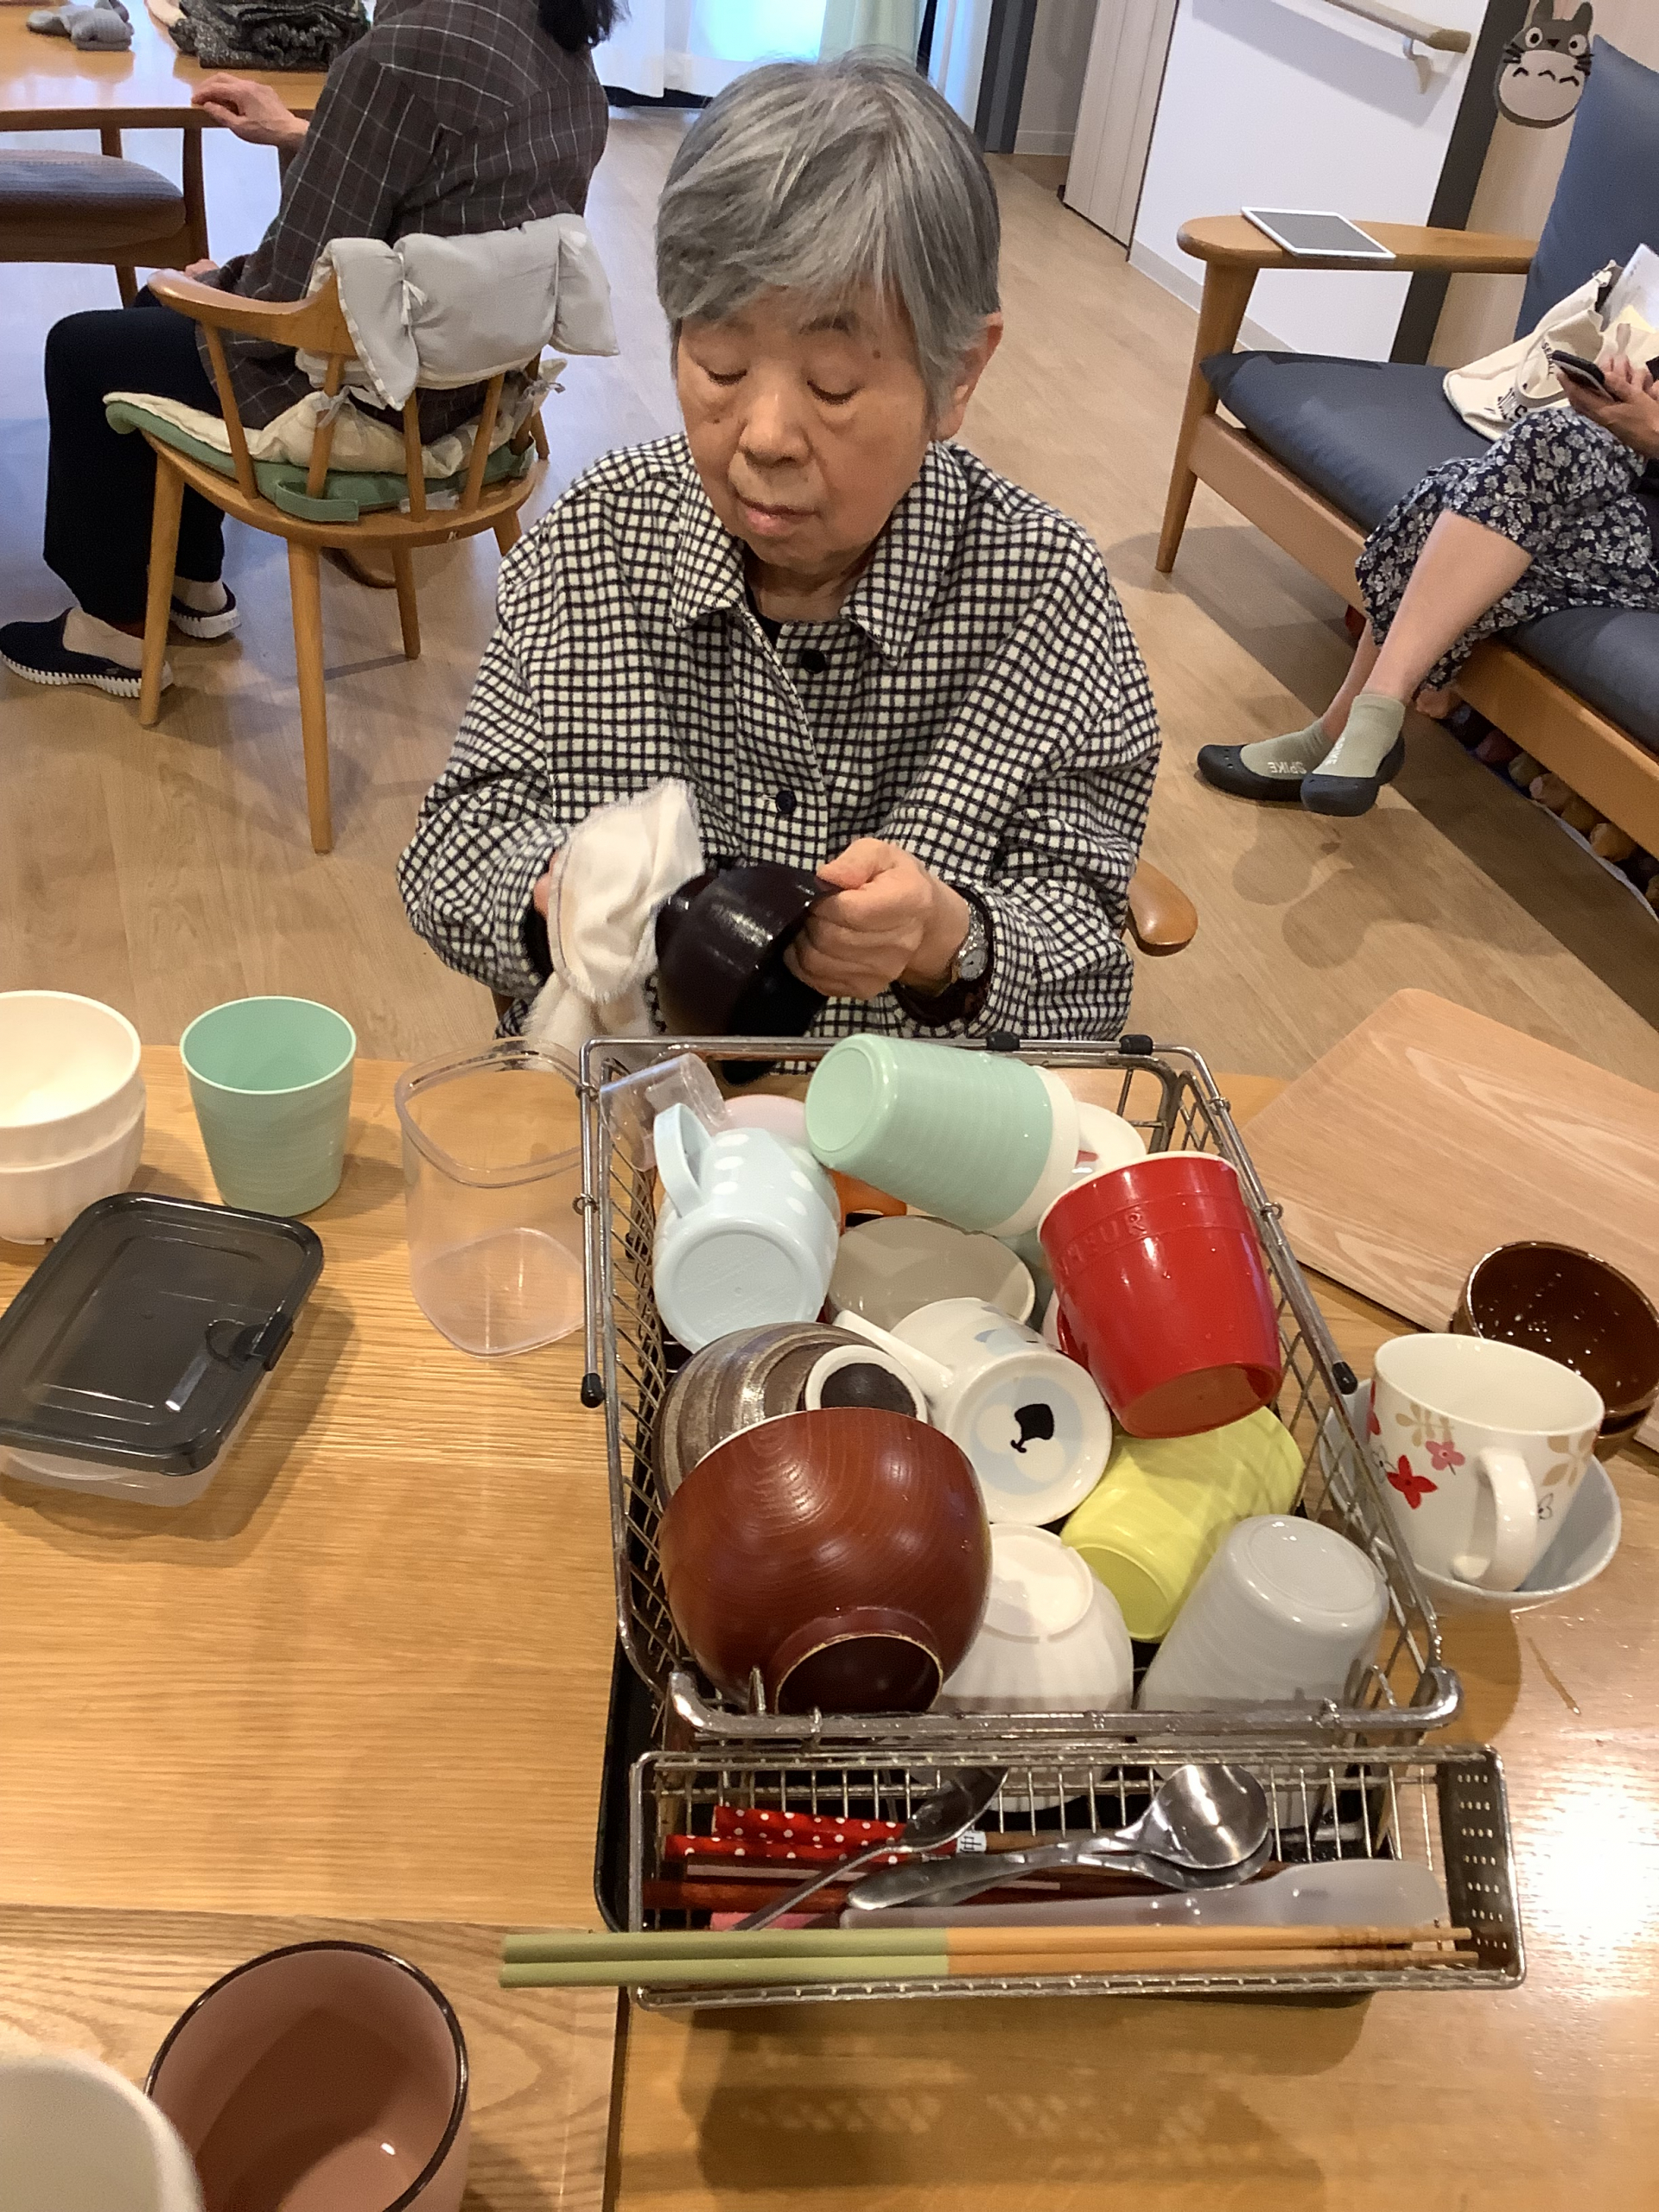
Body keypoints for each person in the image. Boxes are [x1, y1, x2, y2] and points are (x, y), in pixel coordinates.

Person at [400, 54, 1160, 1044]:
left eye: (833, 384)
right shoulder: (597, 539)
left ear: (960, 374)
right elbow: (453, 851)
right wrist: (554, 896)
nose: (762, 437)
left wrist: (950, 940)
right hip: (633, 1106)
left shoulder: (1042, 593)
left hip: (909, 1123)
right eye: (719, 364)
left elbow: (1091, 966)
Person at [0, 0, 613, 699]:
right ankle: (194, 582)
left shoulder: (400, 56)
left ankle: (113, 631)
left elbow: (285, 295)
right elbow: (448, 192)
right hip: (475, 395)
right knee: (155, 319)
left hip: (363, 397)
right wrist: (296, 134)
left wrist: (207, 283)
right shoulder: (563, 48)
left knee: (82, 349)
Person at [1197, 359, 1659, 816]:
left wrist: (1651, 432)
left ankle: (1349, 725)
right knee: (1496, 468)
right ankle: (1364, 720)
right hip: (1626, 487)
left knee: (1467, 498)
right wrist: (1622, 400)